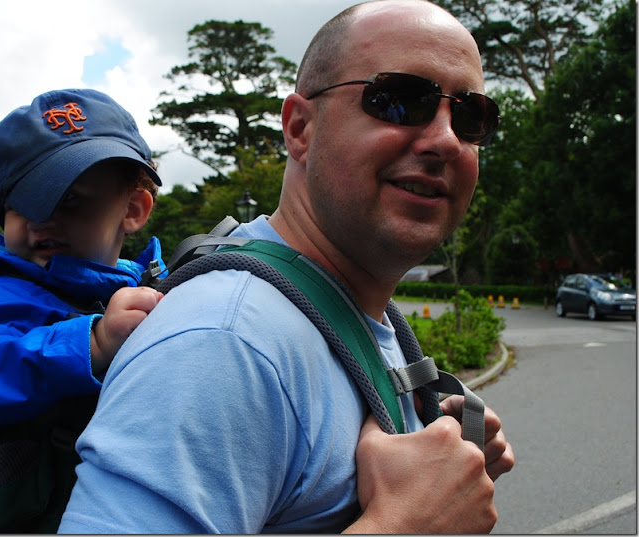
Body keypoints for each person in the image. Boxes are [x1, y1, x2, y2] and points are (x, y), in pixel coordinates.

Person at [59, 1, 514, 533]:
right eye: (398, 100)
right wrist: (407, 524)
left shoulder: (349, 311)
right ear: (300, 128)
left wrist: (434, 475)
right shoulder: (224, 342)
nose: (444, 139)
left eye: (469, 116)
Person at [0, 89, 164, 430]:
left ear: (132, 209)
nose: (40, 220)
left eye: (68, 200)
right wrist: (93, 343)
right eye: (22, 204)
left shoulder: (150, 282)